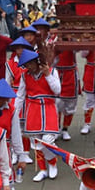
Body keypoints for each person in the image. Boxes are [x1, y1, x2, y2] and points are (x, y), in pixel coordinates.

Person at [15, 49, 61, 182]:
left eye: (31, 63)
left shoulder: (52, 71)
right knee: (35, 142)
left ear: (37, 61)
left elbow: (57, 90)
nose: (29, 67)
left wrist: (47, 75)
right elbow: (20, 95)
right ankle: (42, 169)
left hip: (48, 108)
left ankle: (52, 162)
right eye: (26, 64)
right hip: (33, 110)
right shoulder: (25, 76)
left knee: (48, 141)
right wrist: (15, 113)